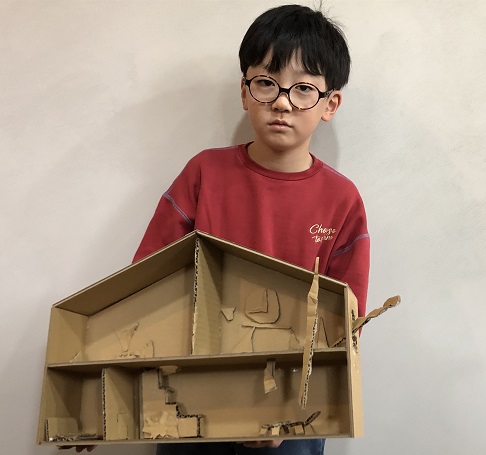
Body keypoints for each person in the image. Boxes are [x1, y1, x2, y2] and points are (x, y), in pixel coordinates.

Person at [66, 4, 369, 455]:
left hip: (293, 413)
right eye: (266, 82)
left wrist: (289, 412)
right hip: (189, 399)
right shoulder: (205, 174)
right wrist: (102, 396)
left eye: (304, 88)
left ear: (330, 104)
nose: (282, 102)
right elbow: (144, 284)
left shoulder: (342, 200)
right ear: (245, 92)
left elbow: (346, 322)